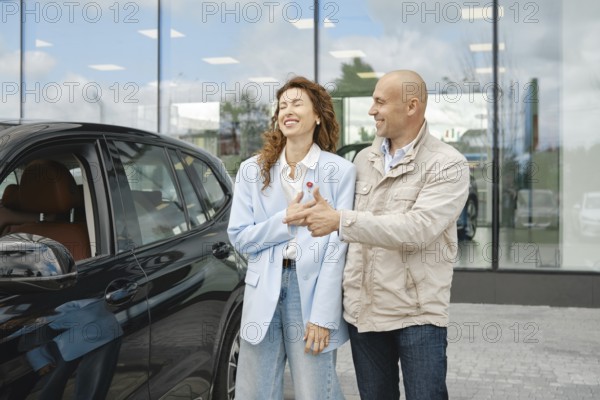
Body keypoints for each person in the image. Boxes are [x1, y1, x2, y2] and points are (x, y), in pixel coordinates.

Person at [284, 70, 470, 400]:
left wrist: (341, 220)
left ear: (411, 106)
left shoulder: (447, 164)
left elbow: (417, 229)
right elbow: (334, 233)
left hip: (417, 315)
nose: (372, 110)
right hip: (363, 313)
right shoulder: (362, 160)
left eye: (380, 102)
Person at [227, 76, 356, 399]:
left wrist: (323, 316)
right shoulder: (252, 171)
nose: (288, 110)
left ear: (317, 115)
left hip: (309, 293)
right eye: (283, 105)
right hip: (263, 288)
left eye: (297, 103)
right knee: (254, 391)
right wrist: (284, 220)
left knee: (316, 390)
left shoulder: (339, 171)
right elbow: (241, 237)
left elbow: (336, 249)